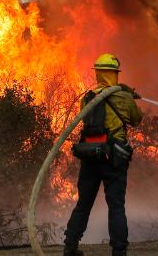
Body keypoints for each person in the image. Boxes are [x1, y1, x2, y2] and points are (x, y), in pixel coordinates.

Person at [64, 53, 143, 256]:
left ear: (98, 73)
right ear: (115, 74)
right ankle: (118, 251)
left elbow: (85, 122)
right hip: (113, 158)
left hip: (90, 156)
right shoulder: (122, 97)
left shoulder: (88, 98)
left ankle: (70, 246)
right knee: (116, 205)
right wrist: (128, 97)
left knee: (83, 203)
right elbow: (136, 119)